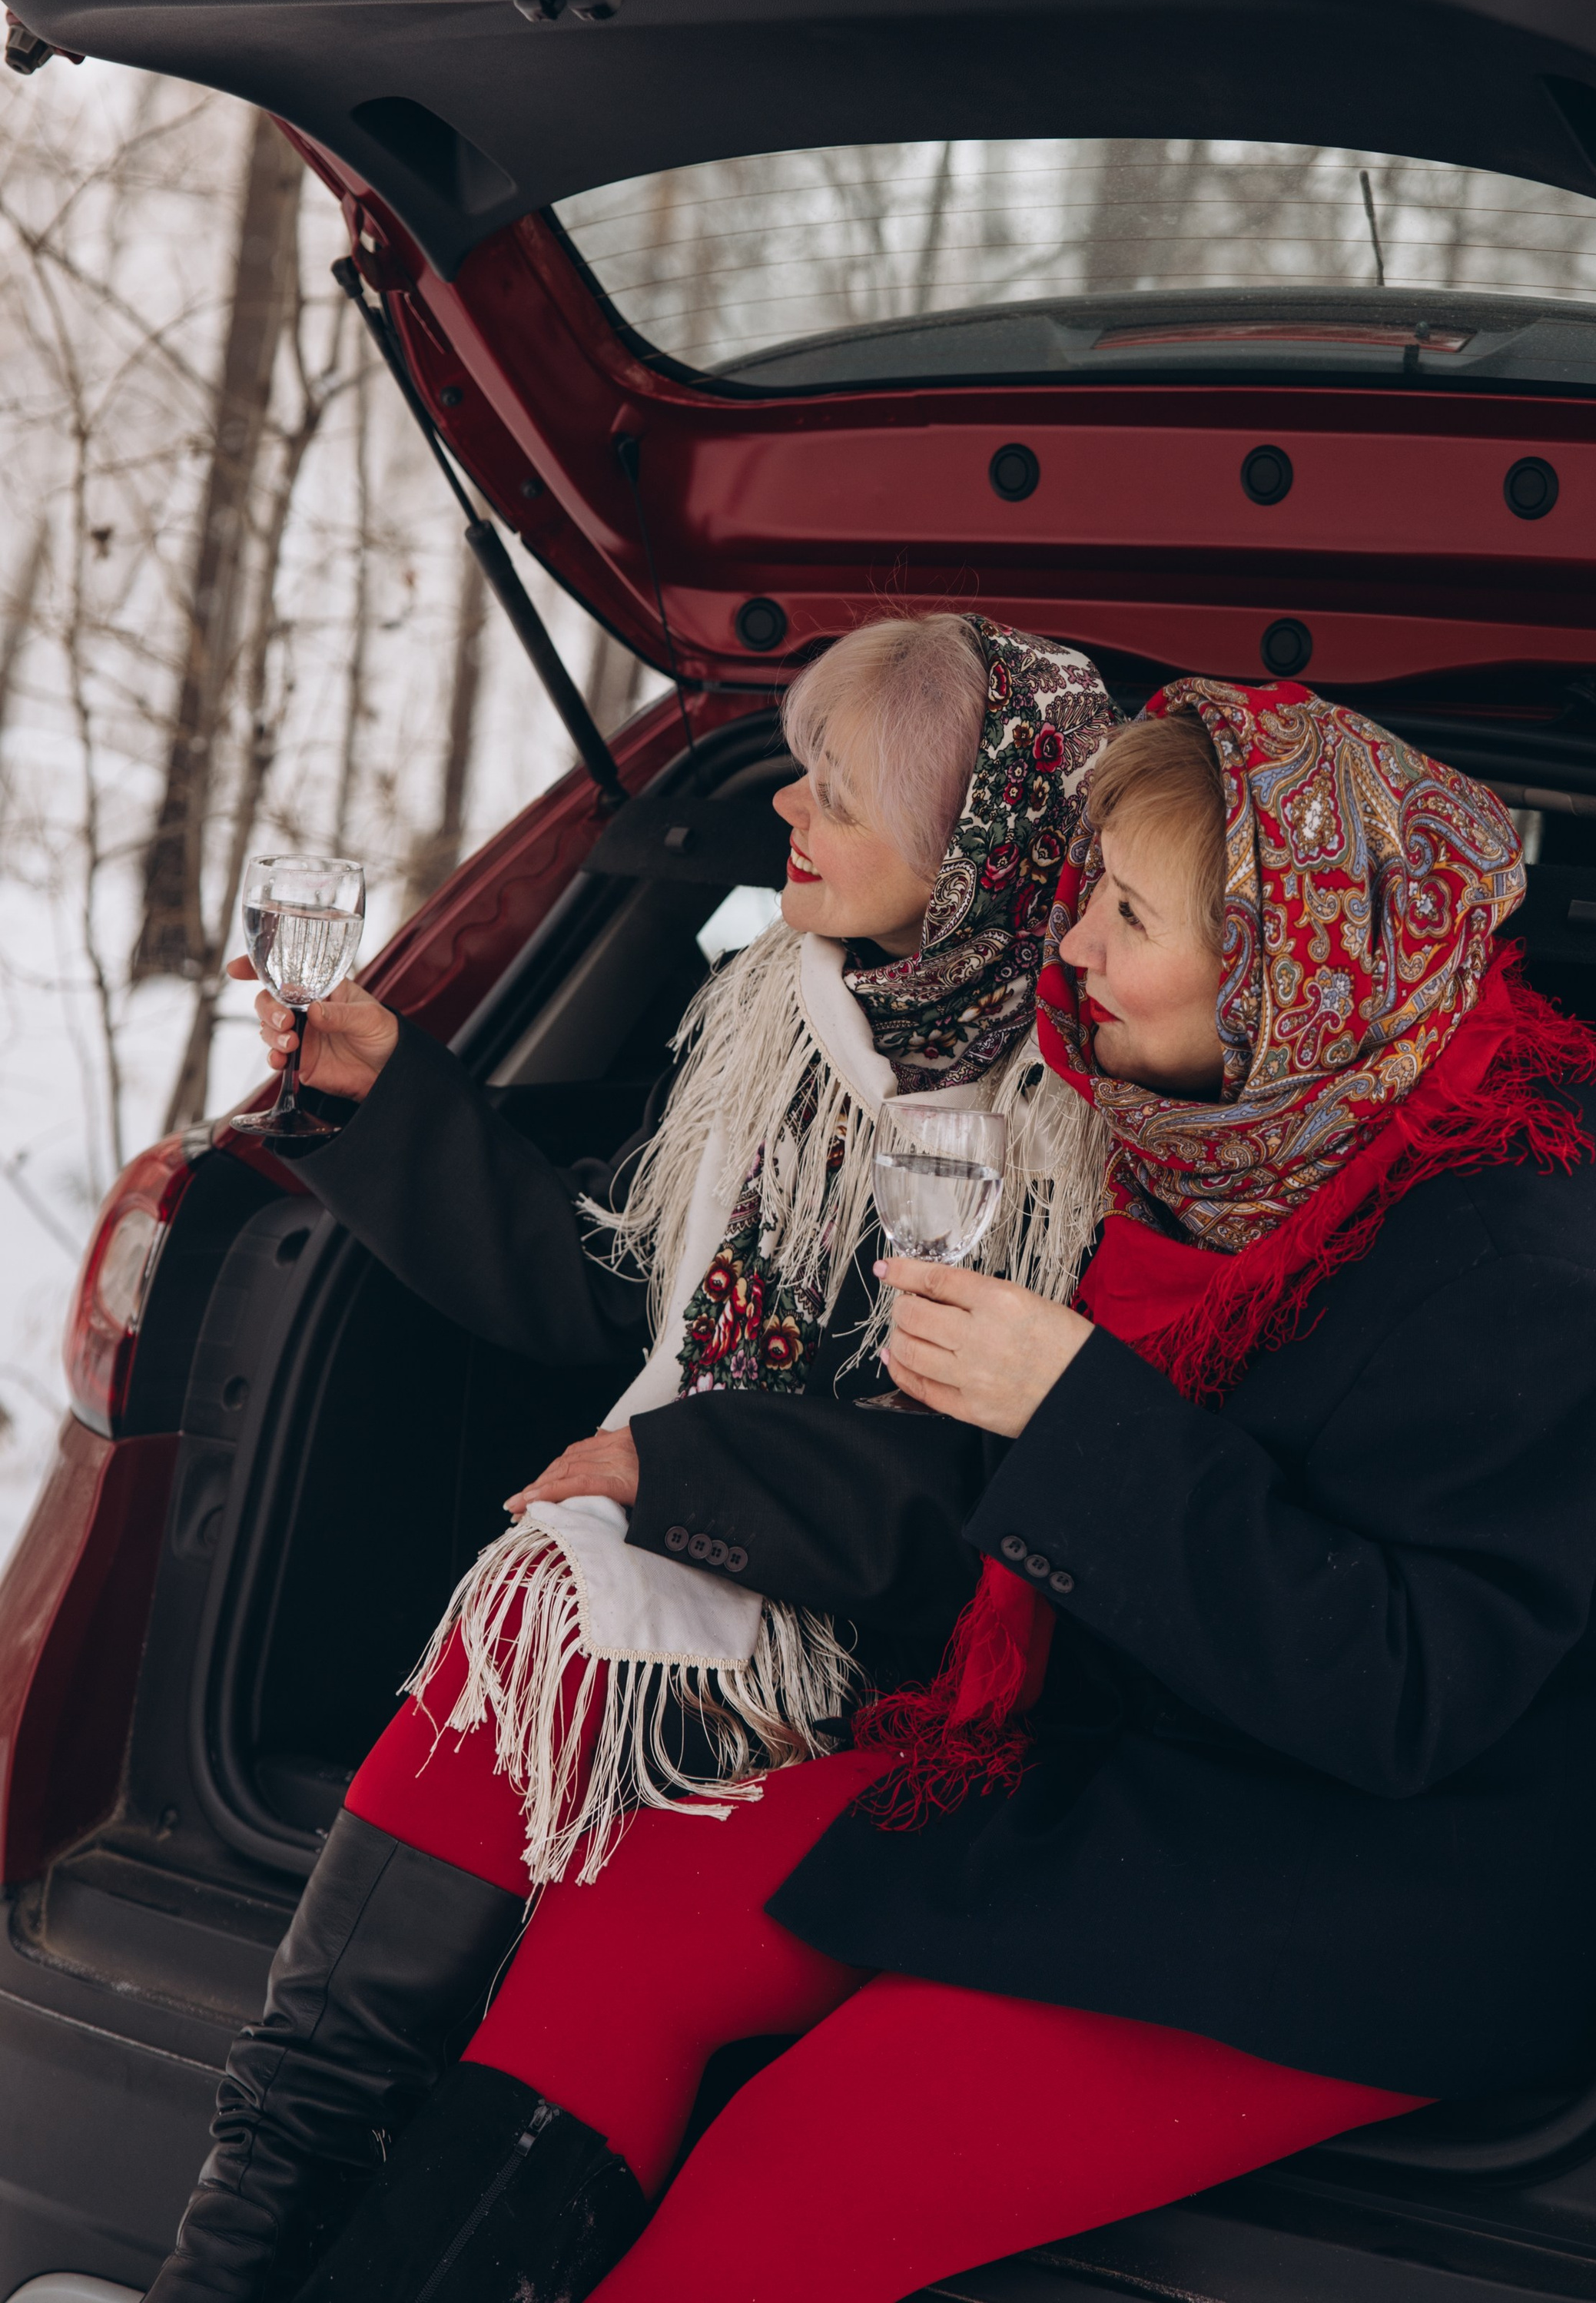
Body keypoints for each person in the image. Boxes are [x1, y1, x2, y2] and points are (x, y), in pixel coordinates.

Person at [278, 677, 1596, 2303]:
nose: (1075, 951)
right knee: (635, 1902)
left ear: (1285, 954)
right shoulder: (1241, 1122)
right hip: (1144, 1771)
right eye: (1084, 896)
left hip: (1371, 1897)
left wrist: (1074, 1416)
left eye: (1125, 914)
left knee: (798, 2166)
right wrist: (697, 1469)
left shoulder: (1539, 1251)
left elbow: (1404, 1693)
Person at [150, 612, 1114, 2303]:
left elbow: (1006, 1516)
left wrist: (677, 1484)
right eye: (798, 772)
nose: (786, 817)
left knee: (553, 1595)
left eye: (836, 790)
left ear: (979, 841)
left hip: (903, 1662)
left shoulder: (1087, 1135)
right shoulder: (773, 1020)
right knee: (548, 1602)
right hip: (687, 1581)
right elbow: (622, 1294)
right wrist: (386, 1099)